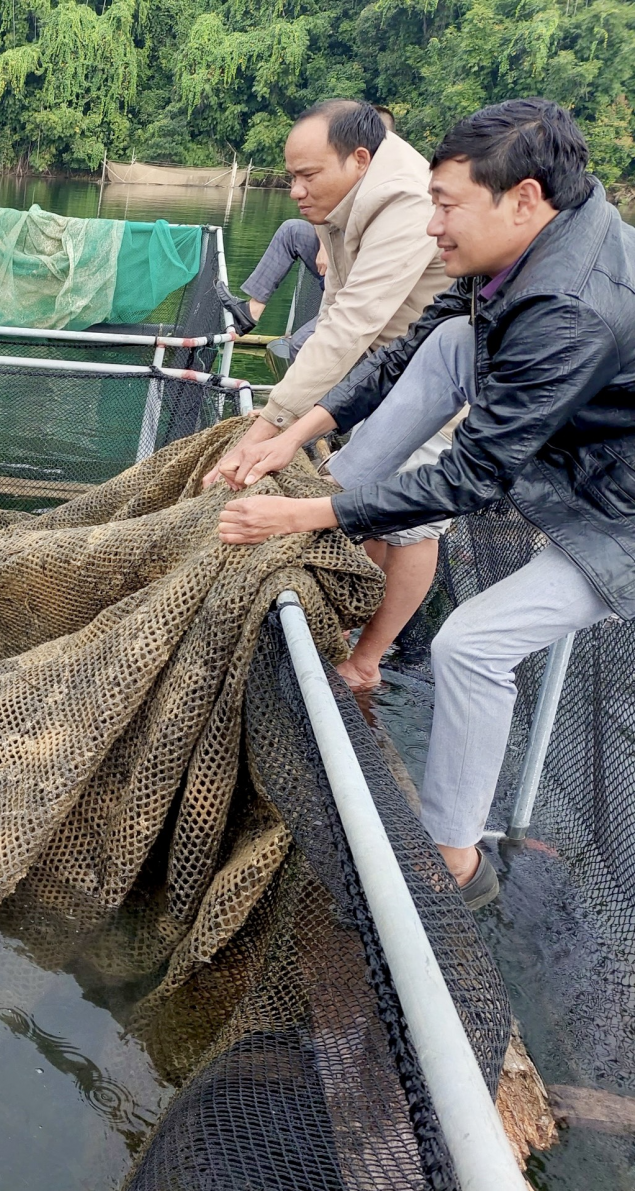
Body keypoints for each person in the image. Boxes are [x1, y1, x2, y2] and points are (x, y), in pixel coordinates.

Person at [215, 98, 633, 908]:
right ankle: (336, 494)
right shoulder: (517, 251)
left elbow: (469, 476)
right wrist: (287, 435)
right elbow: (405, 354)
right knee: (444, 342)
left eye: (446, 205)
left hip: (616, 511)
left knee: (469, 645)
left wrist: (299, 516)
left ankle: (459, 865)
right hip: (571, 456)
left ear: (524, 199)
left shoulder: (569, 308)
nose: (432, 225)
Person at [207, 99, 451, 693]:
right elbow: (337, 306)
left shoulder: (407, 202)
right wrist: (282, 427)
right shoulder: (334, 199)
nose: (294, 190)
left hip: (444, 375)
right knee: (358, 490)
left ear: (359, 158)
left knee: (413, 520)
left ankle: (367, 660)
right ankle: (344, 623)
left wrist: (271, 425)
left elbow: (353, 323)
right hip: (384, 372)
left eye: (307, 176)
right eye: (291, 175)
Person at [224, 219, 327, 357]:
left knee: (301, 345)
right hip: (340, 265)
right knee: (292, 230)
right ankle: (250, 312)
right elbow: (327, 215)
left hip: (356, 292)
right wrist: (325, 245)